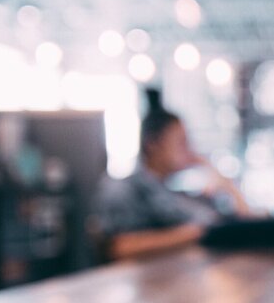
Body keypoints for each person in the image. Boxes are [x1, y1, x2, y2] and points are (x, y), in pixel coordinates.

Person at [95, 90, 250, 260]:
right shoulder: (123, 189)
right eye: (182, 142)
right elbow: (120, 247)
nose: (190, 150)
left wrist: (219, 177)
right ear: (153, 144)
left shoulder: (174, 193)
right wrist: (194, 233)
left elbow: (243, 218)